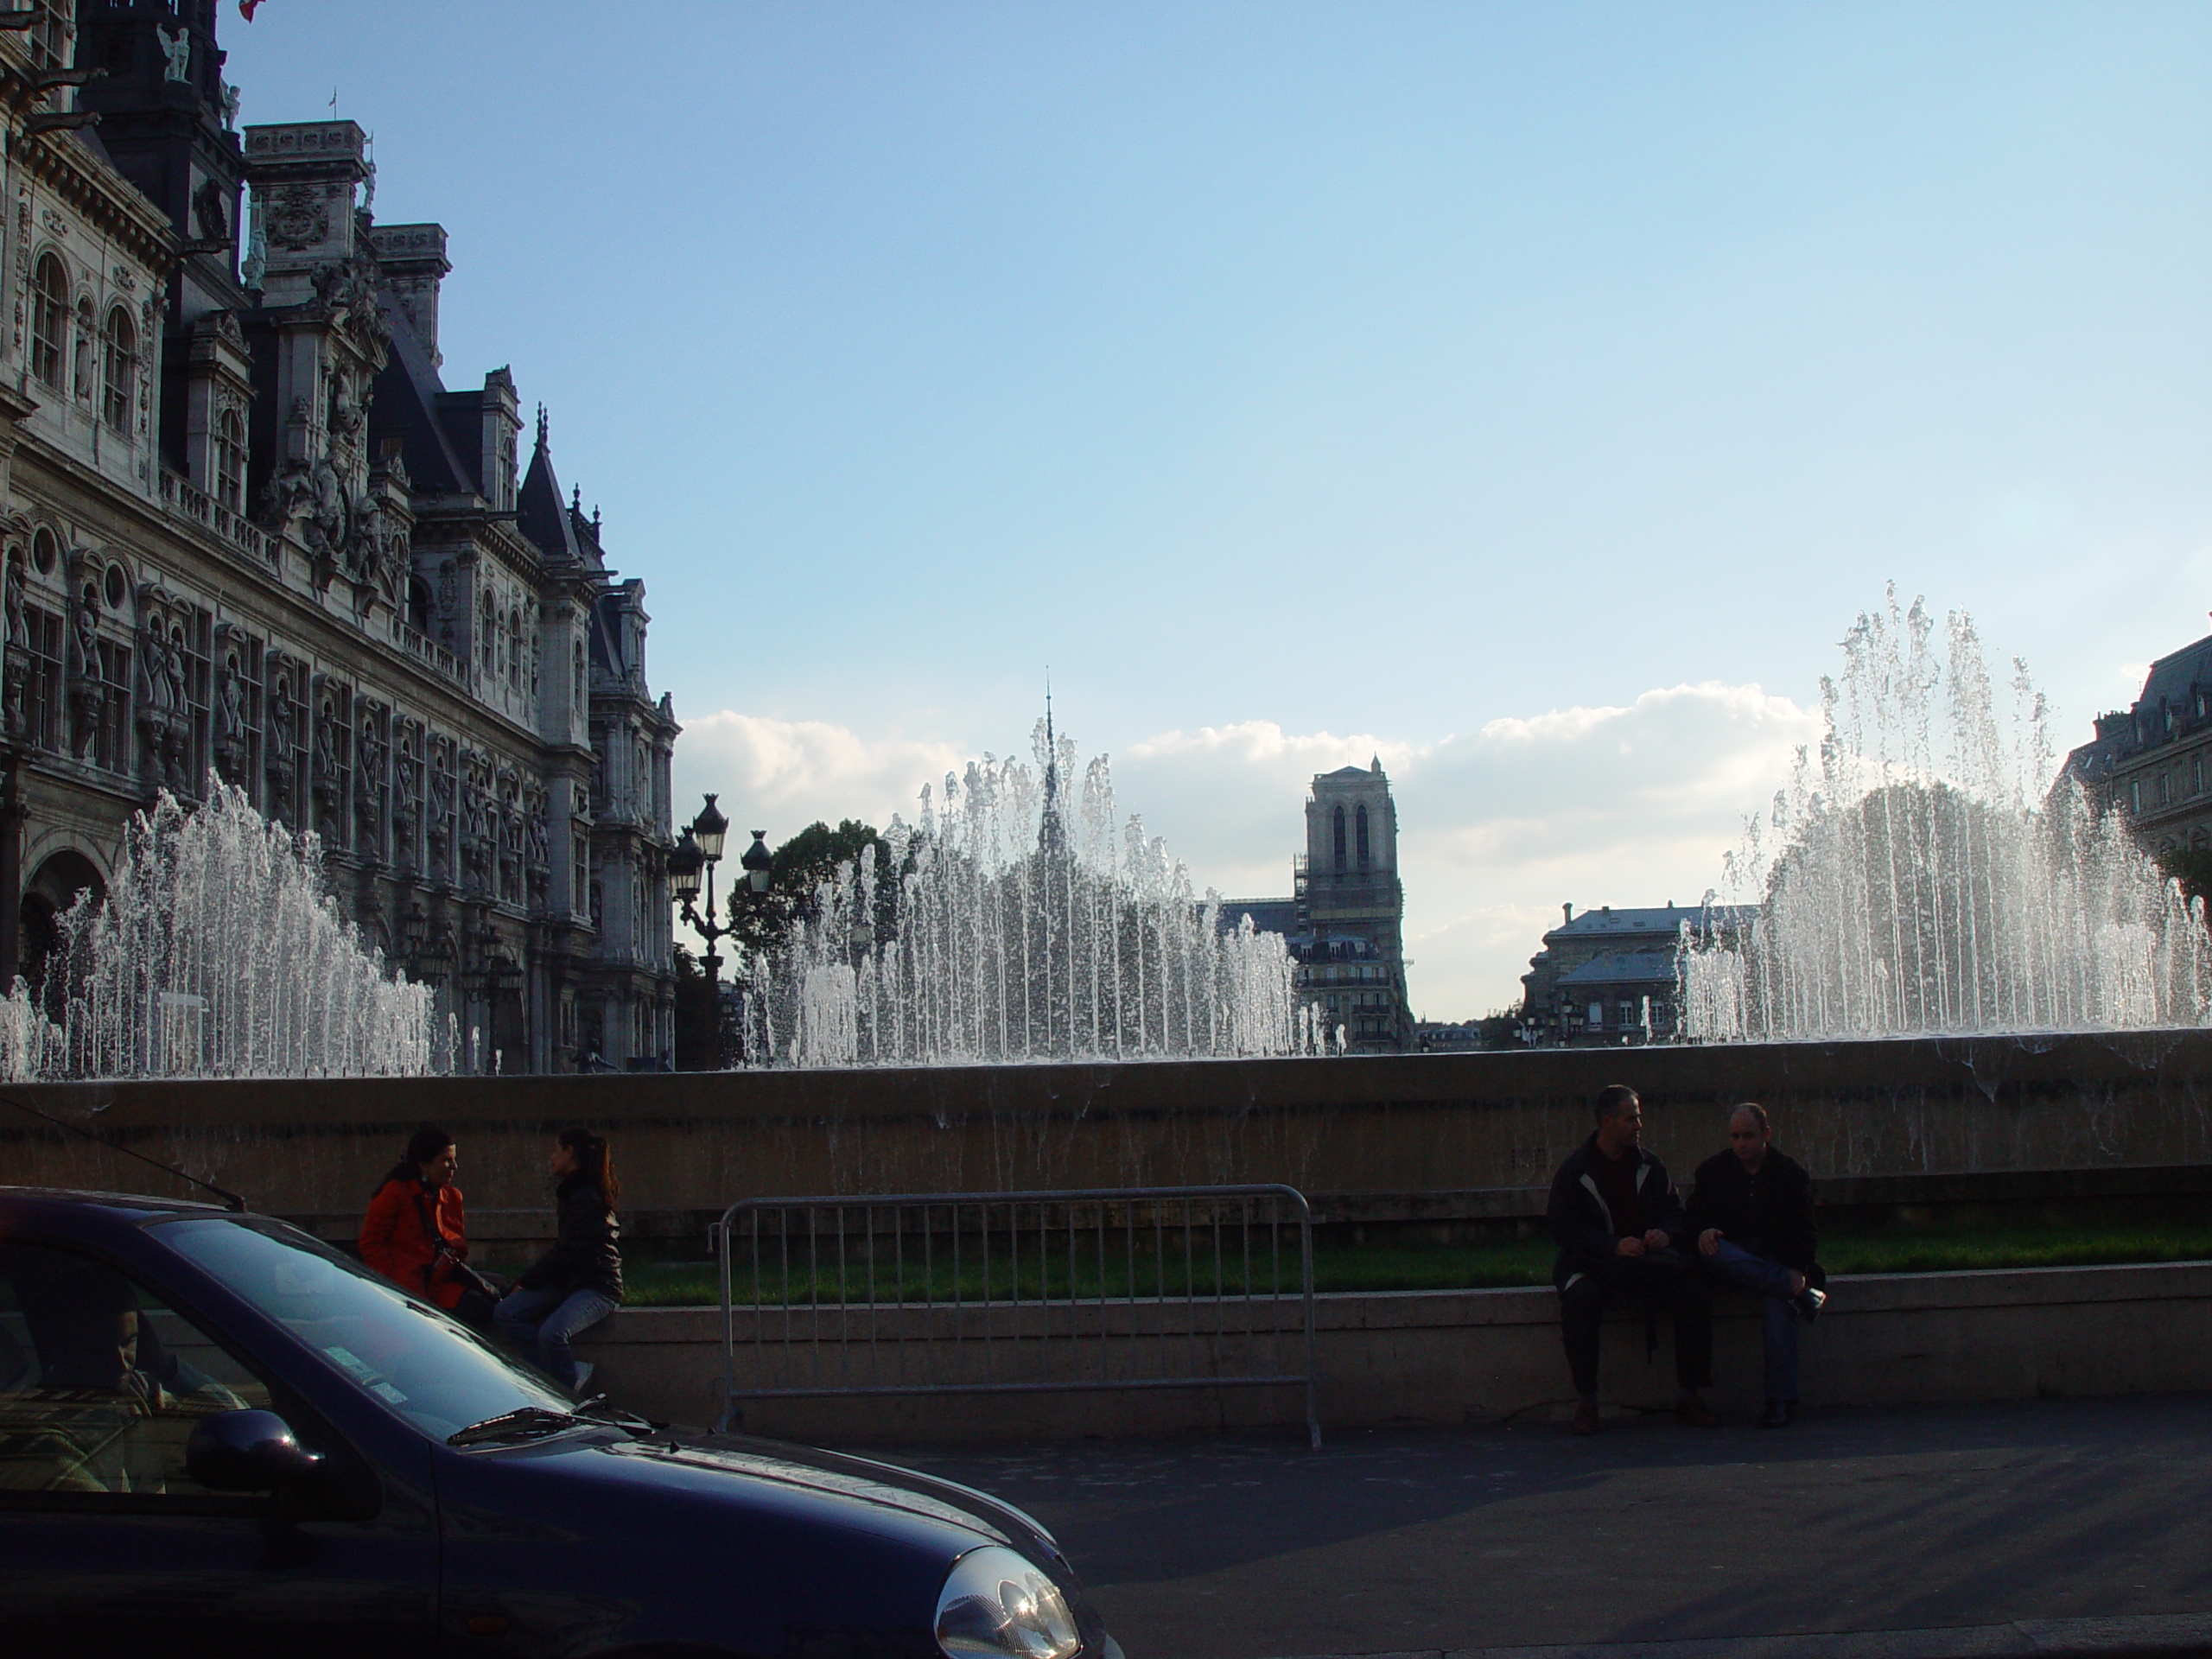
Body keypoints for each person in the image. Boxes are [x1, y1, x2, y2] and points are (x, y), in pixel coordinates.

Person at [1548, 1083, 1716, 1436]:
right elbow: (1564, 1230)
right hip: (1596, 1266)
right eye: (1631, 1119)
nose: (1639, 1126)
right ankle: (1587, 1402)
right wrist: (1611, 1245)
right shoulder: (1575, 1171)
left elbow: (1675, 1213)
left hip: (1648, 1264)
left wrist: (1664, 1234)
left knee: (1694, 1295)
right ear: (1607, 1122)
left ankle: (1690, 1395)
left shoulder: (1650, 1165)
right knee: (1580, 1300)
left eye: (1638, 1118)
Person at [1690, 1102, 1826, 1428]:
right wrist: (1702, 1231)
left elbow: (1805, 1231)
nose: (1741, 1144)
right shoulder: (1713, 1171)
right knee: (1715, 1252)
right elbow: (1694, 1215)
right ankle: (1803, 1293)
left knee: (1777, 1304)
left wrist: (1795, 1267)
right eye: (1735, 1137)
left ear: (1766, 1134)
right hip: (1732, 1257)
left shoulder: (1790, 1175)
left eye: (1748, 1136)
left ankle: (1779, 1401)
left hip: (1772, 1257)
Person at [494, 1128, 623, 1396]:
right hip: (569, 1283)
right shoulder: (572, 1192)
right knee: (506, 1312)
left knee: (551, 1334)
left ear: (569, 1152)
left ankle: (566, 1398)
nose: (551, 1157)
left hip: (597, 1285)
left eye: (555, 1150)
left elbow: (568, 1251)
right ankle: (555, 1376)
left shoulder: (586, 1196)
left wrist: (526, 1282)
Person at [359, 1125, 498, 1332]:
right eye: (446, 1160)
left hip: (442, 1283)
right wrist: (394, 1282)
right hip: (408, 1287)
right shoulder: (395, 1193)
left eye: (454, 1159)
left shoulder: (451, 1196)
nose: (454, 1167)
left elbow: (457, 1244)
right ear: (424, 1165)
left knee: (494, 1301)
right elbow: (371, 1243)